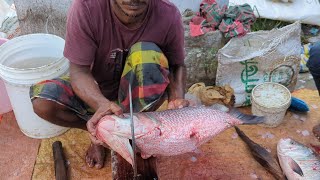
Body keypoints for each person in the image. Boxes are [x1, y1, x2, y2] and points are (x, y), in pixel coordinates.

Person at [30, 0, 189, 169]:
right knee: (43, 101)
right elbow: (79, 71)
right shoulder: (86, 8)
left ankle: (134, 132)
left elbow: (177, 65)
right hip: (97, 91)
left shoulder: (168, 14)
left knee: (145, 53)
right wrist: (102, 104)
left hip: (139, 97)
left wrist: (176, 99)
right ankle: (102, 134)